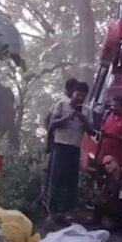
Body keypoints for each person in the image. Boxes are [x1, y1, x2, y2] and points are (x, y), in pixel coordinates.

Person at [43, 81, 94, 223]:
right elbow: (52, 124)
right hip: (60, 146)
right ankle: (51, 212)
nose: (79, 99)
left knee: (70, 181)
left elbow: (92, 131)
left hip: (74, 148)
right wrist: (67, 118)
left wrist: (83, 120)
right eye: (78, 95)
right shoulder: (61, 104)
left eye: (82, 97)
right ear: (73, 93)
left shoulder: (86, 111)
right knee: (57, 179)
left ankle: (66, 213)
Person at [97, 92, 122, 169]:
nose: (113, 108)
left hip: (117, 160)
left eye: (116, 106)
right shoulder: (108, 117)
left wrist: (114, 136)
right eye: (112, 105)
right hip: (103, 157)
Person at [43, 77, 78, 153]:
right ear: (71, 89)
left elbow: (47, 119)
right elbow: (50, 120)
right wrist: (49, 139)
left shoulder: (65, 101)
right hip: (58, 140)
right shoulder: (62, 102)